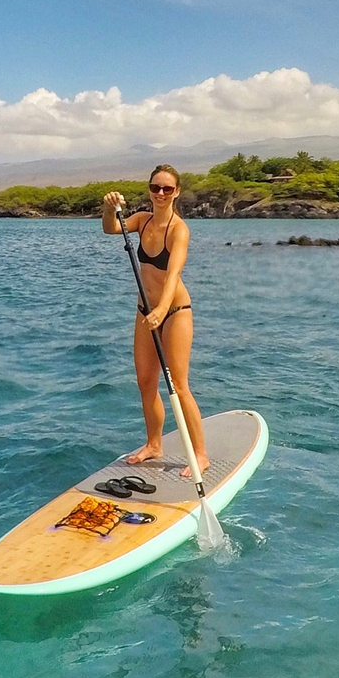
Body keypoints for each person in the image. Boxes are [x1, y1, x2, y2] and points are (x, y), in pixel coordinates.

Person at [102, 165, 210, 477]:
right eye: (155, 187)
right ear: (149, 189)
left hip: (175, 311)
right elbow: (110, 228)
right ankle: (154, 445)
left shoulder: (179, 230)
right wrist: (109, 207)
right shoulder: (141, 220)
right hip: (145, 311)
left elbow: (174, 274)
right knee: (146, 382)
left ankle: (200, 454)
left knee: (178, 384)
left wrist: (162, 309)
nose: (160, 193)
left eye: (167, 188)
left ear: (177, 192)